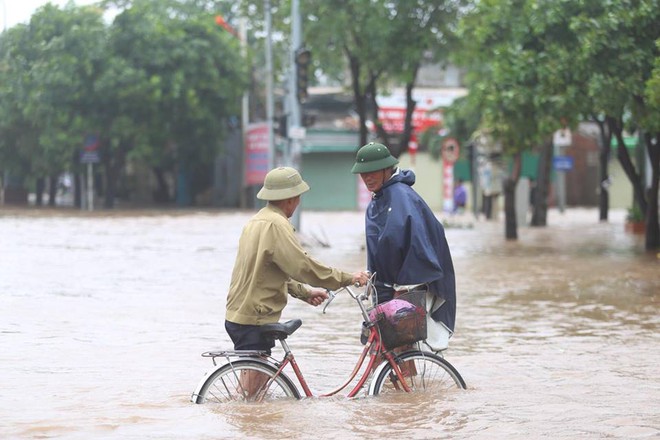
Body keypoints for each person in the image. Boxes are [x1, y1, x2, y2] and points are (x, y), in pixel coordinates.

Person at [225, 166, 370, 355]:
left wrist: (304, 293)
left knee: (255, 382)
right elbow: (303, 266)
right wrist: (348, 278)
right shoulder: (277, 225)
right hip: (255, 317)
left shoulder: (255, 222)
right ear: (291, 198)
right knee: (254, 383)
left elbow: (268, 270)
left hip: (238, 313)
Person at [351, 142, 456, 347]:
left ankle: (404, 379)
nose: (367, 178)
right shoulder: (378, 200)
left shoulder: (402, 197)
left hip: (408, 285)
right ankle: (399, 380)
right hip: (386, 285)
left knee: (401, 345)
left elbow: (417, 245)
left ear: (386, 169)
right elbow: (380, 245)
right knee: (387, 347)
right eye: (363, 174)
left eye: (372, 172)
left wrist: (404, 289)